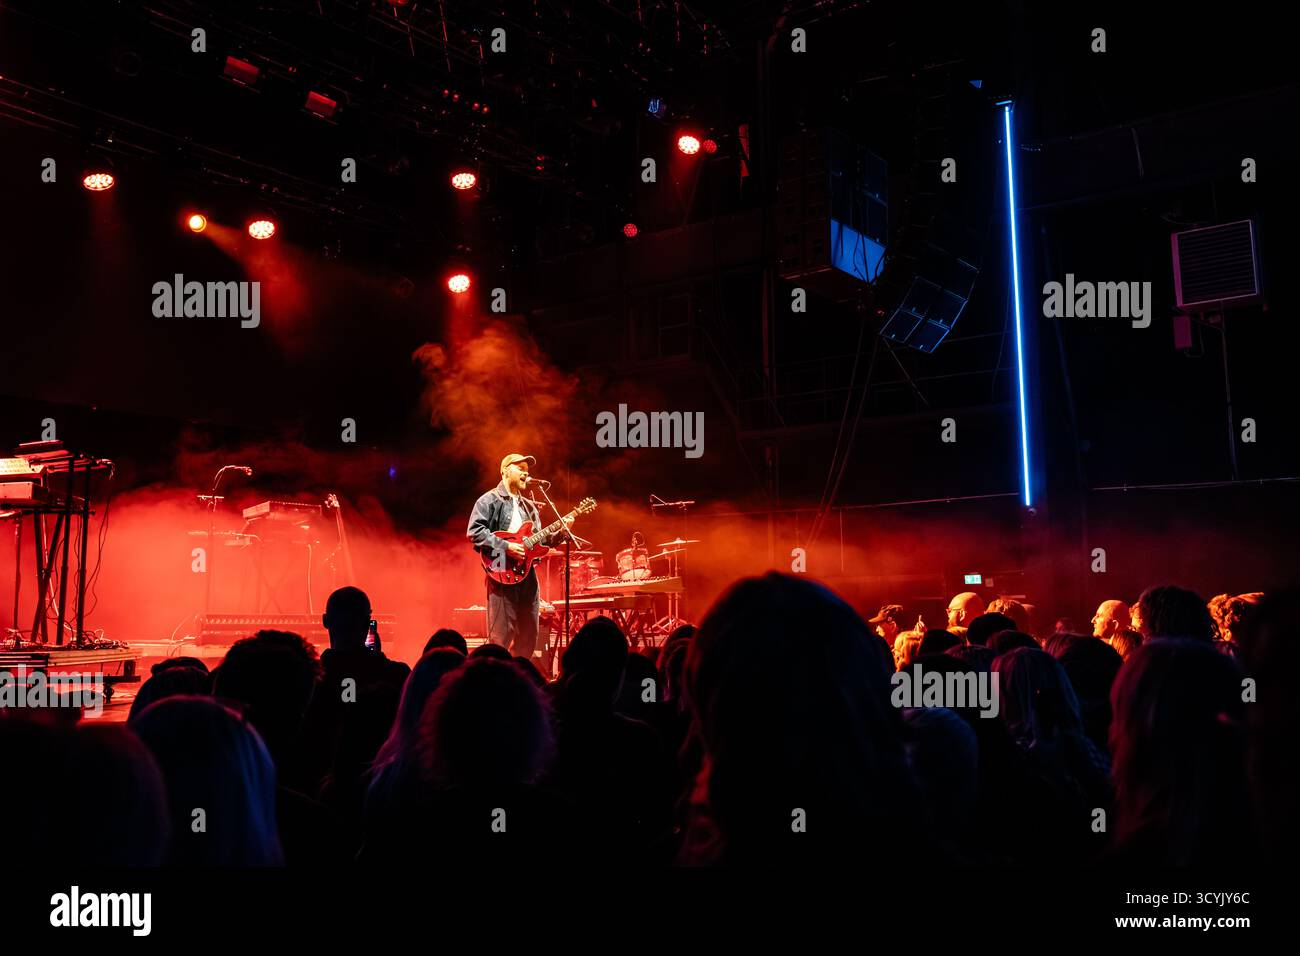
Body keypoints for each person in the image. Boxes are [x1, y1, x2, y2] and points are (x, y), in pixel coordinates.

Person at [467, 453, 574, 659]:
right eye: (521, 468)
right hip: (500, 569)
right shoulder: (489, 500)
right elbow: (475, 531)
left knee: (529, 633)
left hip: (527, 574)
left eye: (528, 469)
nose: (526, 472)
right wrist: (506, 545)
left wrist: (562, 531)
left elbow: (539, 541)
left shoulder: (530, 507)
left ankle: (518, 676)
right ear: (505, 470)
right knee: (501, 635)